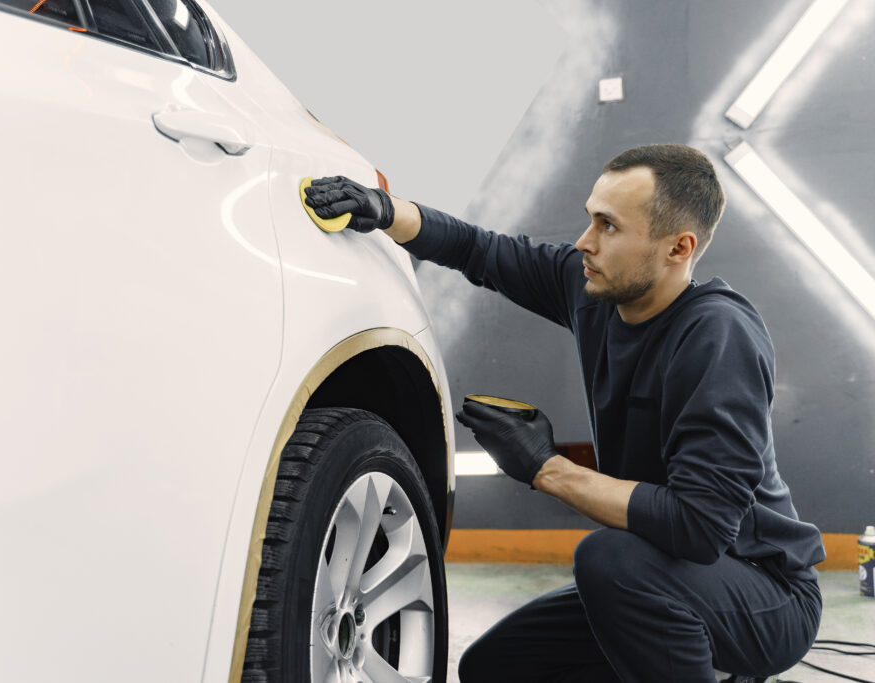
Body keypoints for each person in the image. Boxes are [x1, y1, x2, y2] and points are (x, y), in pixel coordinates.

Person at [304, 144, 825, 683]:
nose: (584, 241)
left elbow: (699, 527)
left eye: (608, 226)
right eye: (590, 218)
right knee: (494, 669)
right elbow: (480, 250)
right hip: (664, 569)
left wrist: (546, 468)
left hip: (765, 590)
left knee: (609, 561)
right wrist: (386, 210)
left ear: (678, 247)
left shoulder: (718, 336)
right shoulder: (593, 290)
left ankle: (724, 666)